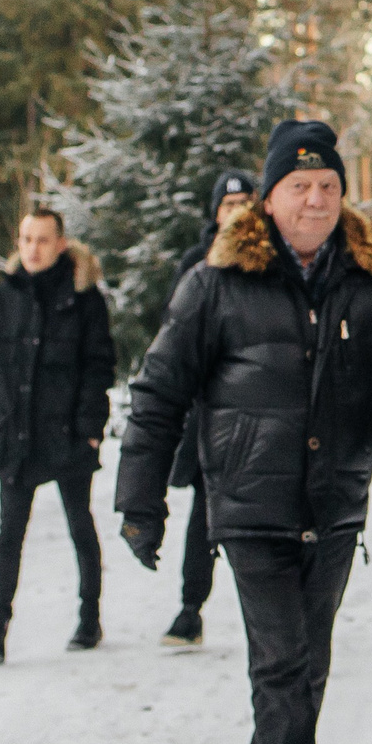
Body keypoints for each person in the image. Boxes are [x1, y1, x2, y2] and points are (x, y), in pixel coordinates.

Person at [115, 122, 372, 744]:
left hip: (335, 504)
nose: (315, 198)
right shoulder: (216, 284)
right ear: (269, 200)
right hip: (248, 505)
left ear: (344, 197)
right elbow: (159, 393)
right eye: (299, 187)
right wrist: (140, 502)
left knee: (307, 669)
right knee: (281, 664)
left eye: (329, 186)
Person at [0, 204, 117, 662]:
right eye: (26, 239)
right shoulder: (5, 298)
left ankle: (89, 618)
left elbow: (97, 369)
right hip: (16, 433)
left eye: (43, 240)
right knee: (9, 532)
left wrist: (89, 430)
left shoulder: (84, 300)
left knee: (79, 523)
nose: (33, 249)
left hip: (67, 432)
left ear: (61, 244)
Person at [155, 169, 258, 648]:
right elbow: (176, 339)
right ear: (215, 213)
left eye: (243, 203)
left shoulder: (269, 262)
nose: (235, 213)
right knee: (204, 513)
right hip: (209, 414)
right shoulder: (197, 264)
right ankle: (190, 607)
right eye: (226, 206)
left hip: (259, 415)